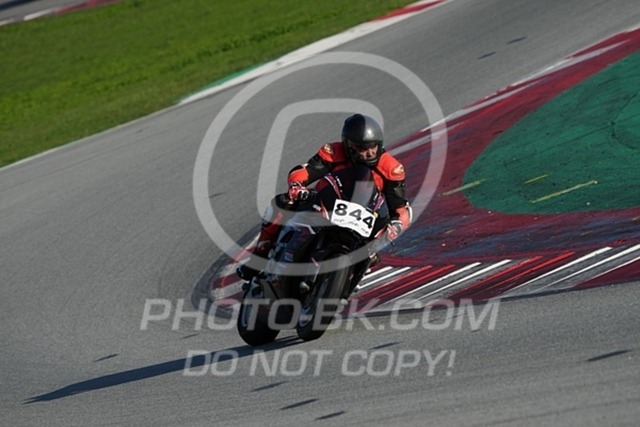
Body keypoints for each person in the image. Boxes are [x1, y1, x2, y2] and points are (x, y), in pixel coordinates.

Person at [237, 113, 412, 281]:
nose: (368, 154)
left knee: (371, 257)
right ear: (348, 145)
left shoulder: (391, 169)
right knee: (280, 204)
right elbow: (306, 171)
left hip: (364, 216)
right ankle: (258, 258)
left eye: (373, 148)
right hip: (327, 202)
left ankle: (348, 282)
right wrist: (297, 186)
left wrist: (396, 226)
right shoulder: (334, 152)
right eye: (361, 149)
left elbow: (400, 209)